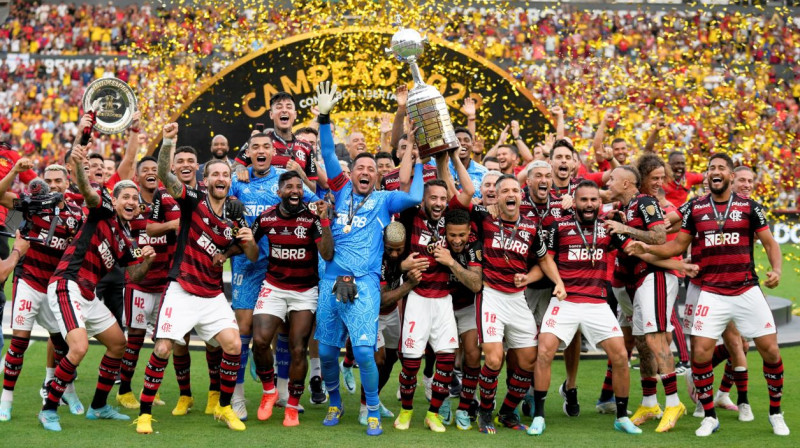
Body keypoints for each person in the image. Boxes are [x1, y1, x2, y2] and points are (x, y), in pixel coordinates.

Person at [627, 153, 789, 437]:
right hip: (711, 292)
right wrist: (647, 248)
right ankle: (709, 416)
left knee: (771, 351)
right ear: (707, 176)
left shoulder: (750, 207)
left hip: (746, 289)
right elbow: (676, 245)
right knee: (700, 355)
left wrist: (776, 269)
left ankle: (776, 412)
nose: (715, 171)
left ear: (729, 176)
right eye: (711, 167)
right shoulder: (696, 208)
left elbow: (769, 242)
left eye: (721, 168)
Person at [313, 81, 424, 436]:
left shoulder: (385, 200)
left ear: (377, 177)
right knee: (328, 354)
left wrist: (419, 164)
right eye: (359, 167)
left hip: (364, 284)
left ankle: (372, 407)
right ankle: (334, 402)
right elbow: (329, 154)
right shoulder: (341, 188)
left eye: (370, 169)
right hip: (331, 281)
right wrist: (325, 118)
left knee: (363, 351)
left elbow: (416, 195)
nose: (364, 172)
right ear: (352, 173)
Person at [135, 123, 247, 434]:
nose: (221, 179)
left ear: (230, 180)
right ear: (206, 179)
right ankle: (144, 413)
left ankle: (223, 407)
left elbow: (238, 245)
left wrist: (235, 248)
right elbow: (164, 176)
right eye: (215, 175)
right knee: (163, 349)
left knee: (233, 345)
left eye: (225, 175)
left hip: (212, 294)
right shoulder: (192, 200)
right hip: (182, 290)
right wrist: (168, 141)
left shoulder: (233, 216)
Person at [41, 142, 156, 432]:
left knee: (119, 343)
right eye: (125, 196)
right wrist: (79, 165)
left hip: (88, 294)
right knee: (77, 348)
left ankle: (99, 406)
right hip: (67, 284)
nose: (131, 201)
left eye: (135, 198)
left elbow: (136, 275)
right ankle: (49, 408)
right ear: (115, 201)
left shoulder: (127, 238)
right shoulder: (101, 211)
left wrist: (148, 261)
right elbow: (89, 191)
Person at [452, 174, 566, 434]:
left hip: (517, 299)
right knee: (493, 359)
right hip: (490, 296)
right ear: (498, 196)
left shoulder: (531, 227)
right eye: (505, 191)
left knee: (528, 360)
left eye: (515, 190)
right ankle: (485, 412)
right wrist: (447, 163)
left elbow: (544, 260)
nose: (510, 194)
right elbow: (462, 203)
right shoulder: (485, 218)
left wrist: (554, 281)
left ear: (521, 196)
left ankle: (506, 411)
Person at [532, 180, 641, 435]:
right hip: (566, 301)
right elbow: (545, 258)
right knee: (545, 352)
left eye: (593, 200)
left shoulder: (608, 228)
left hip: (597, 303)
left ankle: (622, 417)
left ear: (599, 203)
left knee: (621, 356)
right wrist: (557, 282)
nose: (589, 204)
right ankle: (539, 415)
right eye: (584, 200)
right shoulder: (560, 227)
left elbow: (634, 248)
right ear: (575, 202)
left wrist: (626, 227)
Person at [227, 132, 318, 420]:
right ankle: (237, 398)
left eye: (267, 146)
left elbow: (315, 203)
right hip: (248, 263)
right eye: (255, 147)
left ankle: (281, 394)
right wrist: (232, 175)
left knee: (285, 332)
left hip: (282, 264)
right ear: (249, 153)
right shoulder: (237, 179)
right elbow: (222, 204)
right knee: (244, 332)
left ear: (273, 150)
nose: (262, 150)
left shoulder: (284, 179)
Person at [242, 171, 332, 427]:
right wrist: (243, 243)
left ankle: (292, 404)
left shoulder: (312, 217)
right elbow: (250, 250)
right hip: (274, 286)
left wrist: (324, 222)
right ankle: (270, 392)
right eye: (289, 187)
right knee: (259, 341)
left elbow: (326, 254)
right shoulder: (267, 217)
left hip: (304, 291)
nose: (295, 190)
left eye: (299, 187)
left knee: (297, 348)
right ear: (279, 192)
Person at [394, 151, 473, 433]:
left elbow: (469, 191)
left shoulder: (451, 218)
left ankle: (433, 414)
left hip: (444, 300)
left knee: (447, 359)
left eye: (442, 198)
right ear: (424, 199)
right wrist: (404, 265)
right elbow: (406, 186)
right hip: (417, 298)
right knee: (411, 363)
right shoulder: (410, 215)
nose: (439, 203)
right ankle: (405, 411)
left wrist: (450, 158)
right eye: (433, 198)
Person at [605, 166, 684, 433]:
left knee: (655, 337)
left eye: (613, 179)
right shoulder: (624, 207)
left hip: (656, 275)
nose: (609, 181)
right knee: (642, 341)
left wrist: (625, 228)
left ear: (627, 183)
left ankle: (673, 402)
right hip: (637, 280)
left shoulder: (645, 202)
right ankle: (650, 402)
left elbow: (660, 235)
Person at [115, 156, 174, 410]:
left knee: (163, 339)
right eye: (145, 170)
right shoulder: (129, 204)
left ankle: (152, 387)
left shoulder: (170, 200)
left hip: (166, 284)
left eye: (154, 169)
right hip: (138, 283)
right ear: (137, 178)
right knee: (135, 338)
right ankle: (124, 390)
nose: (151, 172)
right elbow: (134, 229)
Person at [433, 208, 483, 430]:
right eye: (452, 235)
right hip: (442, 304)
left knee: (473, 354)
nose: (457, 240)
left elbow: (475, 284)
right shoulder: (435, 243)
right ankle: (442, 402)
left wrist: (451, 263)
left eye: (461, 235)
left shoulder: (474, 245)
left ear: (469, 231)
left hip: (467, 306)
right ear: (445, 232)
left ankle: (464, 407)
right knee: (444, 356)